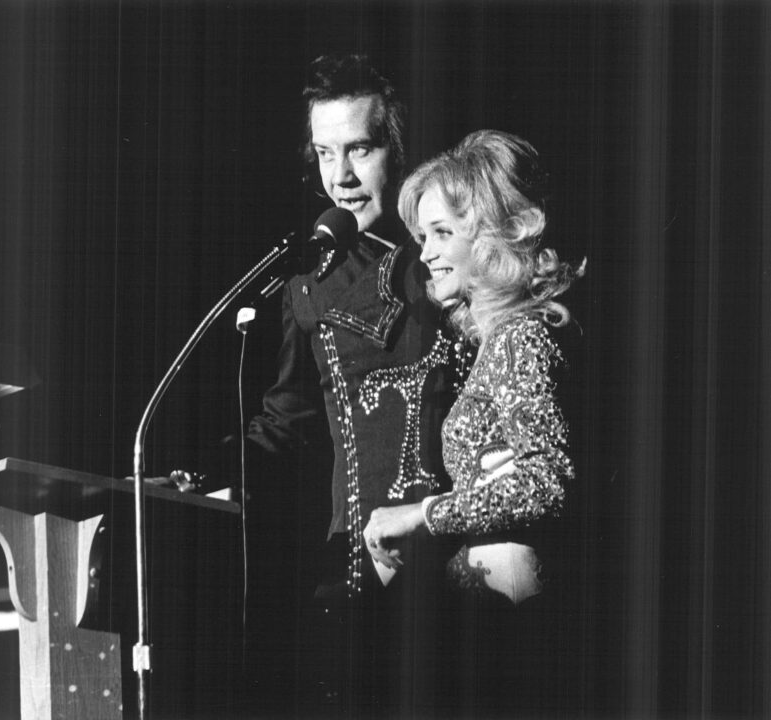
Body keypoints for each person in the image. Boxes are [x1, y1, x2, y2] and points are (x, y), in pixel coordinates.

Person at [242, 55, 469, 717]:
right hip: (354, 570)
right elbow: (286, 420)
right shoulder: (305, 285)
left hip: (462, 552)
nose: (339, 178)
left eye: (360, 150)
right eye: (323, 154)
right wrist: (202, 472)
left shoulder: (450, 255)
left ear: (397, 148)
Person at [362, 129, 585, 717]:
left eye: (442, 233)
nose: (426, 253)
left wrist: (423, 515)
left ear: (490, 240)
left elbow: (546, 480)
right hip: (489, 621)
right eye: (419, 236)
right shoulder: (501, 340)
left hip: (516, 625)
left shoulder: (521, 337)